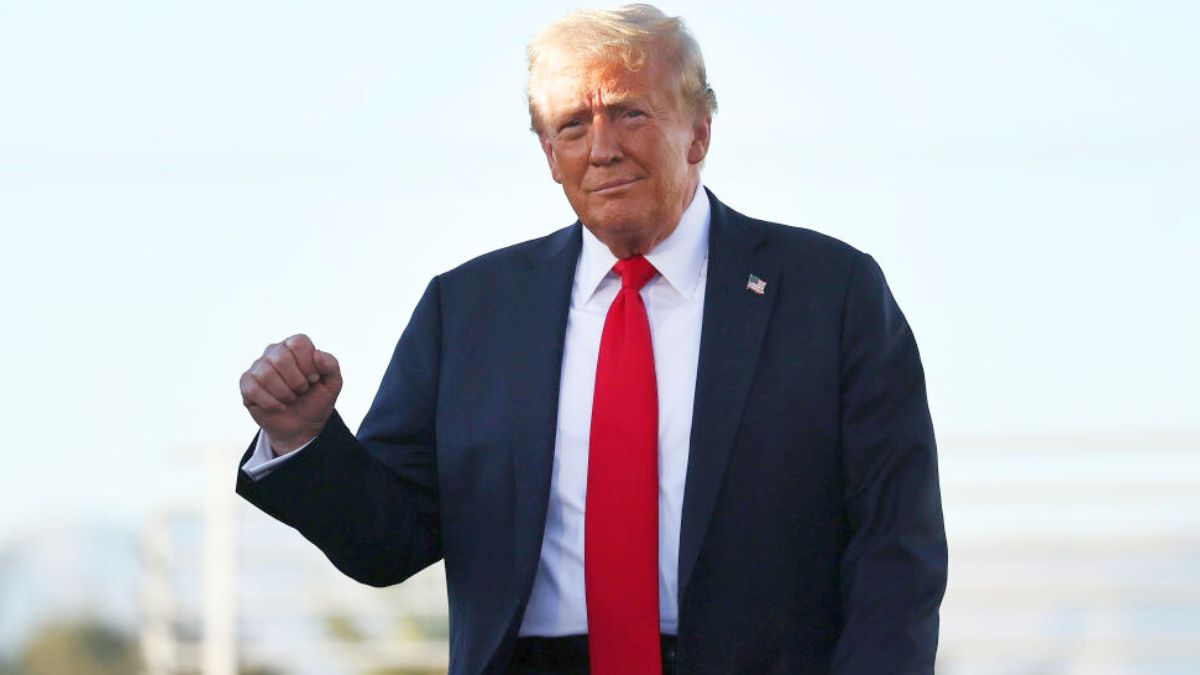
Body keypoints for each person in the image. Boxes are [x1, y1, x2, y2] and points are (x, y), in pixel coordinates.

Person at [235, 5, 947, 674]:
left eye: (630, 113)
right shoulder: (469, 310)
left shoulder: (830, 293)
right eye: (572, 125)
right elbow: (387, 540)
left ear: (699, 131)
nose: (601, 148)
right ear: (548, 152)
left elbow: (896, 549)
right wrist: (305, 440)